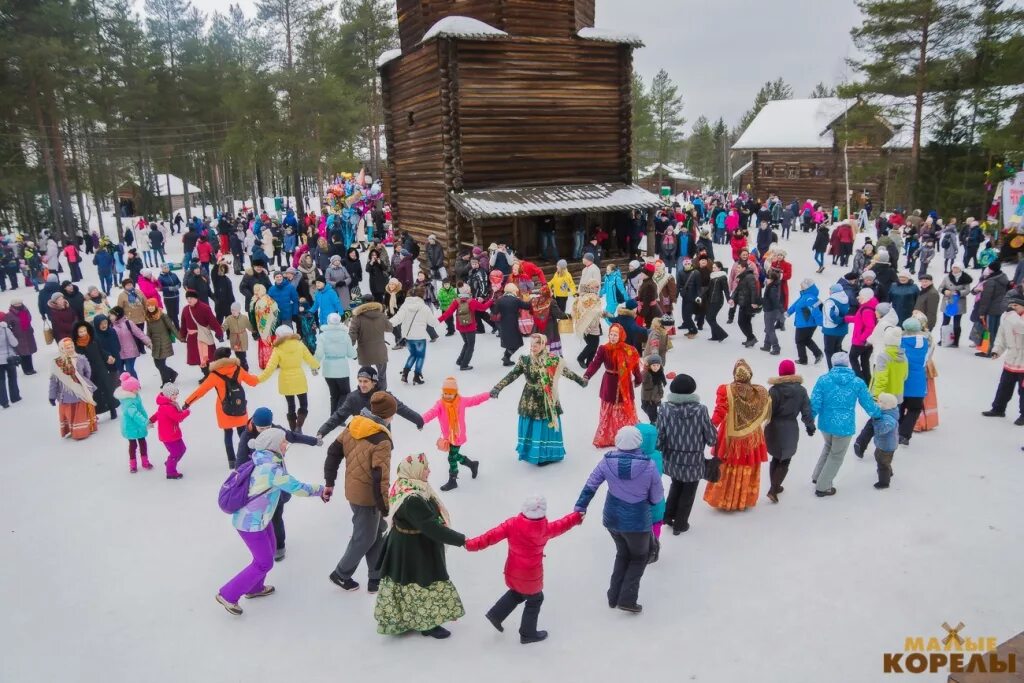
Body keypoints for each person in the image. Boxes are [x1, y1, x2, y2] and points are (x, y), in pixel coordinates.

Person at [216, 427, 326, 616]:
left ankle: (254, 588)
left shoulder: (263, 458)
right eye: (283, 442)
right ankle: (228, 594)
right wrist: (321, 490)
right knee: (264, 562)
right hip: (250, 524)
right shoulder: (270, 469)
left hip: (261, 519)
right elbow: (297, 488)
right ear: (273, 445)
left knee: (270, 550)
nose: (286, 445)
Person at [371, 453, 467, 639]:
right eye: (425, 468)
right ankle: (427, 624)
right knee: (422, 582)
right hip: (414, 549)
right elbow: (432, 527)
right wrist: (462, 540)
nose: (429, 471)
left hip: (405, 544)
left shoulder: (405, 484)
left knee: (406, 582)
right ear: (414, 470)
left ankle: (410, 618)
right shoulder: (413, 499)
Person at [466, 495, 583, 644]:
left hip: (513, 570)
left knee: (518, 592)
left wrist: (470, 544)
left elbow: (490, 536)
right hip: (531, 576)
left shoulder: (512, 524)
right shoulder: (545, 529)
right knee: (535, 599)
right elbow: (563, 524)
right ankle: (527, 633)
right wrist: (577, 517)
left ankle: (496, 614)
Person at [574, 425, 664, 613]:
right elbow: (656, 498)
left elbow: (591, 485)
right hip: (637, 522)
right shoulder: (648, 466)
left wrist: (580, 508)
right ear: (639, 442)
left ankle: (613, 596)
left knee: (623, 553)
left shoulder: (606, 462)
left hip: (612, 518)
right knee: (640, 557)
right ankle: (627, 599)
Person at [490, 333, 587, 466]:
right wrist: (497, 387)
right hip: (530, 398)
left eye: (536, 344)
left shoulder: (552, 360)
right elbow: (511, 375)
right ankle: (531, 452)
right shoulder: (525, 360)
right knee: (532, 425)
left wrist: (581, 381)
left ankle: (546, 455)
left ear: (543, 345)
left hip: (547, 397)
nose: (533, 347)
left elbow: (567, 373)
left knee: (545, 425)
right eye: (531, 345)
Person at [702, 359, 771, 511]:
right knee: (747, 464)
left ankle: (724, 499)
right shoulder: (760, 392)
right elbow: (766, 412)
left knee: (728, 464)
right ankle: (743, 499)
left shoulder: (726, 390)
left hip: (731, 436)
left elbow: (720, 410)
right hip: (753, 436)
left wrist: (709, 426)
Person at [809, 352, 880, 497]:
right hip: (844, 426)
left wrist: (809, 420)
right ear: (847, 364)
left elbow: (814, 403)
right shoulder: (857, 382)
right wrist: (878, 414)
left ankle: (818, 476)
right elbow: (867, 403)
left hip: (826, 424)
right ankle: (823, 486)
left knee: (829, 447)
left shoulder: (824, 380)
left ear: (833, 363)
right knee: (836, 455)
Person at [655, 374, 716, 534]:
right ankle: (680, 524)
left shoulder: (665, 408)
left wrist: (659, 450)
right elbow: (711, 437)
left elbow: (659, 436)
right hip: (694, 460)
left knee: (676, 484)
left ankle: (668, 516)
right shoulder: (701, 410)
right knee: (688, 491)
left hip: (672, 458)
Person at [316, 365, 424, 440]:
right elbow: (338, 416)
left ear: (374, 382)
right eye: (360, 381)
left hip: (382, 441)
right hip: (362, 440)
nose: (362, 384)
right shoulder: (353, 398)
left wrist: (419, 420)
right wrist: (322, 432)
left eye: (366, 381)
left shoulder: (384, 397)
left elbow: (402, 409)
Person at [764, 360, 814, 503]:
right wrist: (810, 426)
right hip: (790, 427)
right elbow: (806, 411)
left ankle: (775, 486)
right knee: (785, 459)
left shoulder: (774, 390)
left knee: (775, 456)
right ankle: (774, 489)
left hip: (773, 426)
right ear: (793, 372)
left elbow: (767, 410)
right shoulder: (801, 390)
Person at [257, 324, 320, 433]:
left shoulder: (278, 349)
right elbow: (309, 358)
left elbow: (270, 367)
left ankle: (293, 429)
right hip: (299, 378)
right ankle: (299, 426)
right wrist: (316, 366)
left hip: (285, 380)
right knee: (303, 404)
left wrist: (259, 379)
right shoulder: (300, 345)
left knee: (291, 406)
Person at [48, 338, 98, 439]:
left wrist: (84, 382)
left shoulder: (80, 358)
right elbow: (54, 381)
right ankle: (76, 431)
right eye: (67, 347)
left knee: (81, 412)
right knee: (71, 413)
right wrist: (52, 396)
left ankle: (82, 431)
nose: (70, 349)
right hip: (66, 394)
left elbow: (87, 372)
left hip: (81, 391)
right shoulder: (57, 363)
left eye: (71, 347)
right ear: (62, 348)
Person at [390, 286, 440, 385]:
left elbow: (397, 319)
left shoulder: (404, 306)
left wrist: (385, 324)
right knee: (420, 356)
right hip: (420, 338)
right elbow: (433, 323)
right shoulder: (424, 307)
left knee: (413, 355)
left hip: (408, 338)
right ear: (421, 295)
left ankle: (405, 374)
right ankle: (416, 376)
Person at [71, 320, 119, 419]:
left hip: (100, 368)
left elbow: (101, 351)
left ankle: (112, 409)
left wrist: (108, 356)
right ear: (76, 333)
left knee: (107, 389)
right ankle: (95, 413)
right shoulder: (76, 346)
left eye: (84, 331)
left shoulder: (94, 340)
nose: (83, 333)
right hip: (88, 372)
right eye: (80, 332)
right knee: (93, 393)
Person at [438, 284, 490, 371]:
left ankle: (460, 360)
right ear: (468, 291)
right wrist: (491, 301)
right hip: (470, 327)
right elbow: (483, 308)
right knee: (470, 346)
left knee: (466, 343)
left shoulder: (456, 301)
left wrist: (438, 320)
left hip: (460, 326)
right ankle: (464, 365)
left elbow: (448, 313)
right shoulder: (472, 301)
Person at [349, 294, 393, 390]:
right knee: (382, 376)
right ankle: (382, 396)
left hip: (365, 351)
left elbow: (352, 334)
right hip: (380, 351)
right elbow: (390, 328)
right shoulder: (381, 315)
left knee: (365, 376)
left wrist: (349, 348)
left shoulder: (357, 318)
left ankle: (368, 395)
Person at [148, 383, 190, 479]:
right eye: (173, 395)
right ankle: (170, 472)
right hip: (169, 435)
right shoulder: (167, 407)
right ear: (167, 395)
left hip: (173, 433)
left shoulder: (167, 404)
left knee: (182, 449)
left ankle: (170, 462)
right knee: (175, 453)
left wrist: (151, 420)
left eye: (176, 394)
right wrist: (187, 412)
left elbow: (157, 414)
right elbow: (177, 417)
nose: (175, 396)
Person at [180, 289, 223, 377]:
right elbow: (183, 324)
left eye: (191, 298)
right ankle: (206, 374)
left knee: (205, 357)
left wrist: (219, 332)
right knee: (198, 359)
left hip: (203, 337)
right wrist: (183, 335)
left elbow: (213, 321)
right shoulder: (185, 310)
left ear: (196, 298)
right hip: (192, 339)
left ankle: (208, 375)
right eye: (187, 298)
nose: (189, 300)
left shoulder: (204, 308)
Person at [115, 372, 151, 473]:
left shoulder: (134, 395)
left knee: (143, 443)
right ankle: (133, 465)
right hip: (131, 426)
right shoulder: (128, 402)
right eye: (136, 388)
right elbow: (135, 414)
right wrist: (145, 422)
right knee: (133, 445)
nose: (138, 389)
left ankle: (145, 462)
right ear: (130, 389)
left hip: (138, 425)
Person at [108, 305, 151, 379]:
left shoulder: (128, 323)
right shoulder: (110, 326)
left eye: (112, 315)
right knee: (120, 372)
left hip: (130, 351)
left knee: (129, 370)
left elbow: (139, 333)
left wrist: (148, 342)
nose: (110, 317)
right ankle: (127, 385)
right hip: (118, 353)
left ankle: (135, 385)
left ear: (117, 315)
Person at [787, 279, 823, 364]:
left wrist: (820, 322)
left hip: (806, 323)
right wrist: (789, 312)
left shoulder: (810, 298)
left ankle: (803, 359)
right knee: (806, 340)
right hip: (804, 323)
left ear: (808, 287)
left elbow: (815, 310)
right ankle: (818, 353)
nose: (801, 287)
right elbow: (796, 304)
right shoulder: (805, 295)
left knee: (799, 341)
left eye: (803, 286)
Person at [145, 298, 180, 385]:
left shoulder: (163, 316)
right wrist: (147, 340)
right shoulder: (148, 317)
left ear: (156, 306)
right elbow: (149, 330)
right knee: (157, 364)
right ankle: (172, 373)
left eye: (152, 305)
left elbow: (172, 328)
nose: (150, 307)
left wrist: (180, 337)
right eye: (148, 306)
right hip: (155, 343)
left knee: (161, 364)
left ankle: (166, 382)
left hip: (164, 341)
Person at [572, 280, 605, 368]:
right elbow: (588, 311)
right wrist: (588, 325)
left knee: (594, 344)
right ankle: (581, 358)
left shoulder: (587, 295)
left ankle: (589, 362)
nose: (598, 288)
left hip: (592, 324)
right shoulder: (589, 297)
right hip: (589, 325)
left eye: (598, 286)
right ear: (590, 286)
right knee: (593, 344)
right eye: (596, 287)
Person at [871, 393, 900, 489]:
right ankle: (888, 471)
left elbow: (882, 430)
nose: (877, 403)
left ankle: (884, 482)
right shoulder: (886, 413)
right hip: (883, 444)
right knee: (879, 457)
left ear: (886, 405)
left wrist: (876, 420)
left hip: (887, 445)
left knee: (882, 463)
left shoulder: (888, 418)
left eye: (880, 401)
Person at [939, 265, 972, 347]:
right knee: (945, 322)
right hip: (947, 302)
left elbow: (967, 290)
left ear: (960, 269)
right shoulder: (947, 277)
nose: (954, 269)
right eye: (953, 267)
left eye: (956, 268)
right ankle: (943, 339)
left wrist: (958, 292)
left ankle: (956, 341)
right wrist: (944, 291)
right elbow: (940, 287)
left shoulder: (965, 278)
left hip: (959, 303)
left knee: (957, 323)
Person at [821, 283, 850, 368]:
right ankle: (839, 369)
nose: (829, 292)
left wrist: (839, 320)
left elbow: (831, 316)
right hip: (843, 330)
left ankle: (832, 371)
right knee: (837, 350)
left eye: (830, 290)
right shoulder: (846, 299)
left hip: (831, 331)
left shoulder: (831, 301)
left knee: (829, 351)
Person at [6, 300, 37, 375]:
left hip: (28, 334)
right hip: (18, 336)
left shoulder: (25, 311)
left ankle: (31, 368)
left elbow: (29, 318)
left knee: (29, 352)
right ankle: (26, 370)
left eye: (19, 303)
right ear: (13, 305)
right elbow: (7, 324)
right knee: (23, 354)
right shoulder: (10, 314)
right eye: (16, 303)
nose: (18, 305)